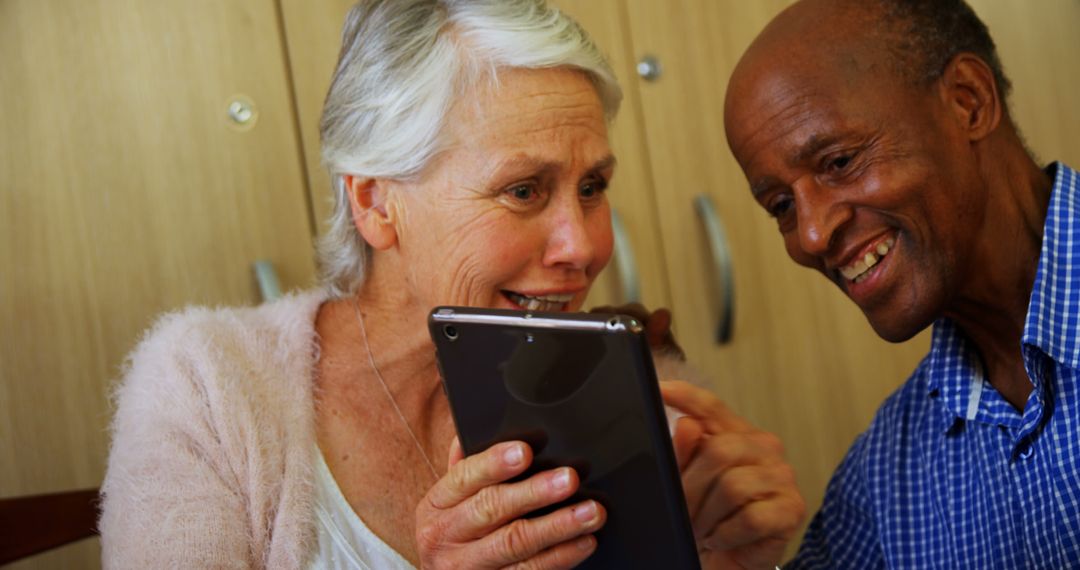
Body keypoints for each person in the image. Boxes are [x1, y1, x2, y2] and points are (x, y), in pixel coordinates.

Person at [100, 1, 805, 568]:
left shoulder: (638, 387)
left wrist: (729, 558)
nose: (584, 246)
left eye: (593, 186)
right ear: (376, 204)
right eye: (524, 190)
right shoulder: (205, 386)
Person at [723, 0, 1080, 567]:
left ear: (968, 102)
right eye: (782, 205)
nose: (812, 235)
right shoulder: (882, 480)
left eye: (839, 162)